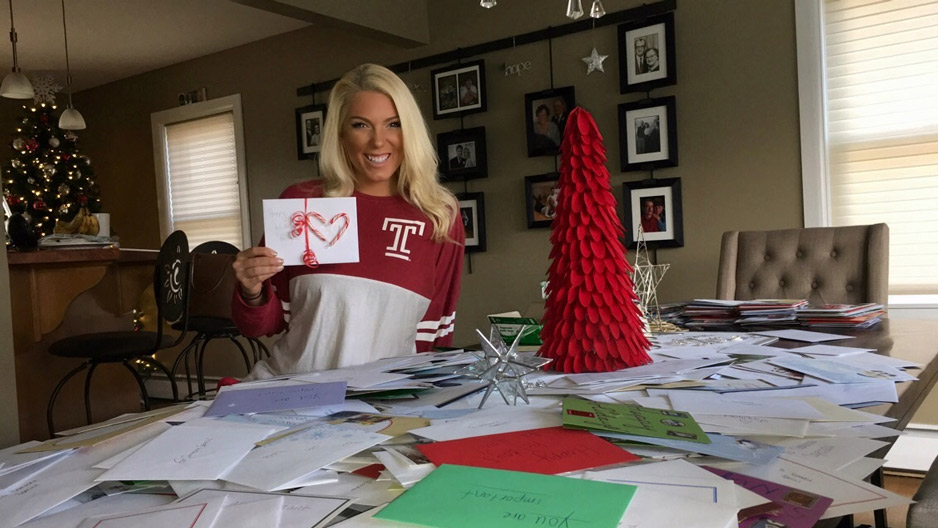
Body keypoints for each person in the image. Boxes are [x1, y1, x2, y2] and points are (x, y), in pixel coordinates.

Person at [232, 63, 465, 379]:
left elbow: (433, 340)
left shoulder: (439, 215)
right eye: (361, 125)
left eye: (393, 124)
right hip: (288, 396)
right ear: (340, 133)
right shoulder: (302, 204)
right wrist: (251, 290)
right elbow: (264, 325)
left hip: (379, 407)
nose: (378, 142)